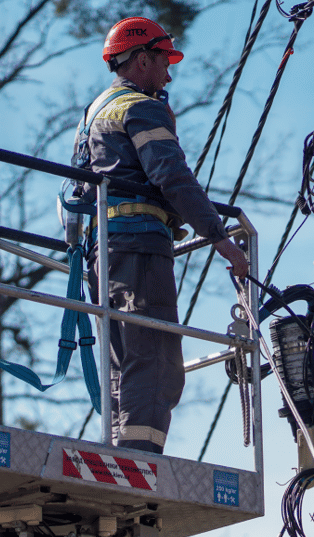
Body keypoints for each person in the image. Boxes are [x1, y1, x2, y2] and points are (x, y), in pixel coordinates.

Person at [81, 16, 248, 455]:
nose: (169, 72)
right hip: (139, 250)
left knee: (125, 360)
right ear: (141, 59)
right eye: (164, 60)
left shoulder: (96, 113)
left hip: (103, 254)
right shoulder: (140, 107)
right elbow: (171, 176)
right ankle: (140, 465)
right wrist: (220, 237)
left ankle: (122, 454)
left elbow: (80, 190)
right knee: (155, 360)